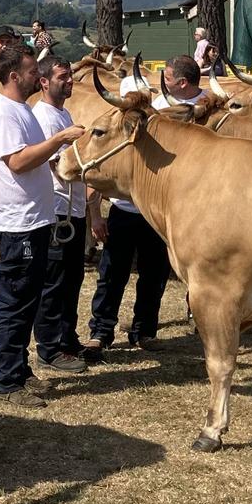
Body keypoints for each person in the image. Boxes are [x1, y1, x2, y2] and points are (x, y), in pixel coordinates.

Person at [0, 42, 85, 409]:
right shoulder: (5, 113)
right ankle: (7, 381)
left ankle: (20, 371)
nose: (36, 78)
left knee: (28, 299)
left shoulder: (20, 110)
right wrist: (58, 140)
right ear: (13, 76)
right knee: (15, 301)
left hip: (34, 219)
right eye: (30, 72)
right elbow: (19, 162)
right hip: (17, 223)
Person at [87, 57, 172, 357]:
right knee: (112, 273)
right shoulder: (110, 130)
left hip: (152, 213)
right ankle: (101, 331)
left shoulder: (159, 128)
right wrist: (96, 214)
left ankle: (144, 330)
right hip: (123, 211)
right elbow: (95, 171)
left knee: (154, 274)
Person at [31, 56, 89, 372]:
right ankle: (49, 348)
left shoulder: (63, 114)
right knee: (54, 283)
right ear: (44, 82)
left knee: (72, 279)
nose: (69, 81)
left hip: (73, 209)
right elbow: (59, 166)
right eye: (62, 76)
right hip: (57, 211)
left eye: (70, 76)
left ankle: (67, 339)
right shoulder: (45, 118)